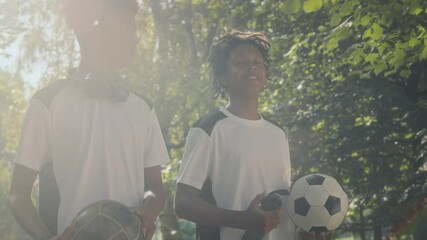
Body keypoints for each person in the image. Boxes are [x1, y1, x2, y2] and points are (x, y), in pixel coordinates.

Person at [8, 1, 170, 240]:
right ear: (93, 27)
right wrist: (46, 238)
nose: (136, 38)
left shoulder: (143, 108)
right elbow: (18, 195)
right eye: (128, 26)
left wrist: (149, 209)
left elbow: (155, 185)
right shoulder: (48, 103)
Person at [175, 30, 296, 239]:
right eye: (240, 63)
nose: (252, 67)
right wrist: (244, 220)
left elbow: (283, 199)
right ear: (223, 75)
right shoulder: (208, 129)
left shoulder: (278, 134)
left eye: (258, 62)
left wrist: (308, 227)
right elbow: (183, 204)